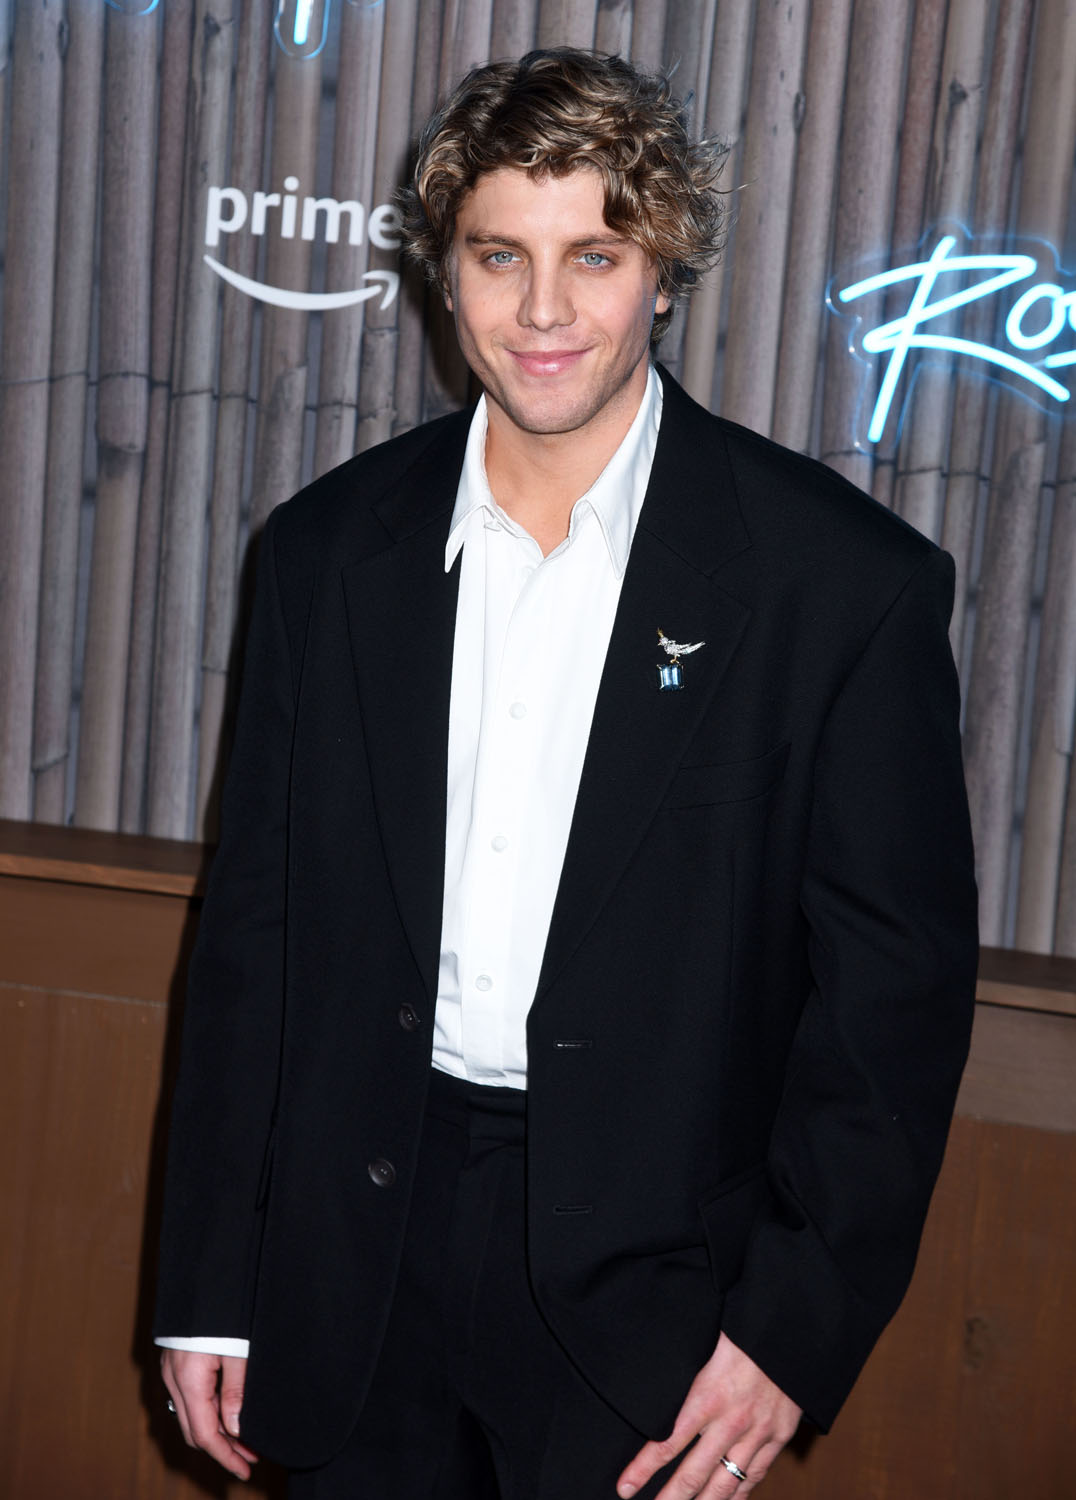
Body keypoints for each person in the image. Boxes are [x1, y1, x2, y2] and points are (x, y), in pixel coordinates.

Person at [155, 47, 979, 1500]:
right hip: (354, 1269)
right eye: (501, 256)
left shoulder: (843, 588)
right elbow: (253, 948)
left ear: (663, 272)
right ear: (445, 273)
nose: (543, 311)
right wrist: (212, 1284)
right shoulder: (327, 553)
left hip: (659, 1313)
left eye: (593, 255)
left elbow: (890, 1008)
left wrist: (789, 1329)